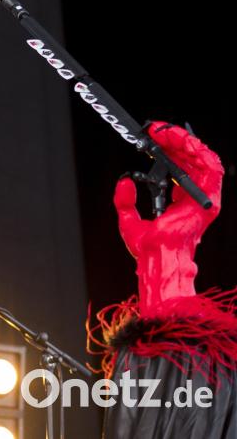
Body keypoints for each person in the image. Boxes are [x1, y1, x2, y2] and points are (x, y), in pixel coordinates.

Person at [88, 121, 237, 437]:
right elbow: (136, 239)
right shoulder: (157, 228)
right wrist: (125, 209)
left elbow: (213, 170)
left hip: (180, 331)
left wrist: (170, 134)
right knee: (141, 422)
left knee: (184, 419)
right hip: (150, 336)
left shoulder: (191, 216)